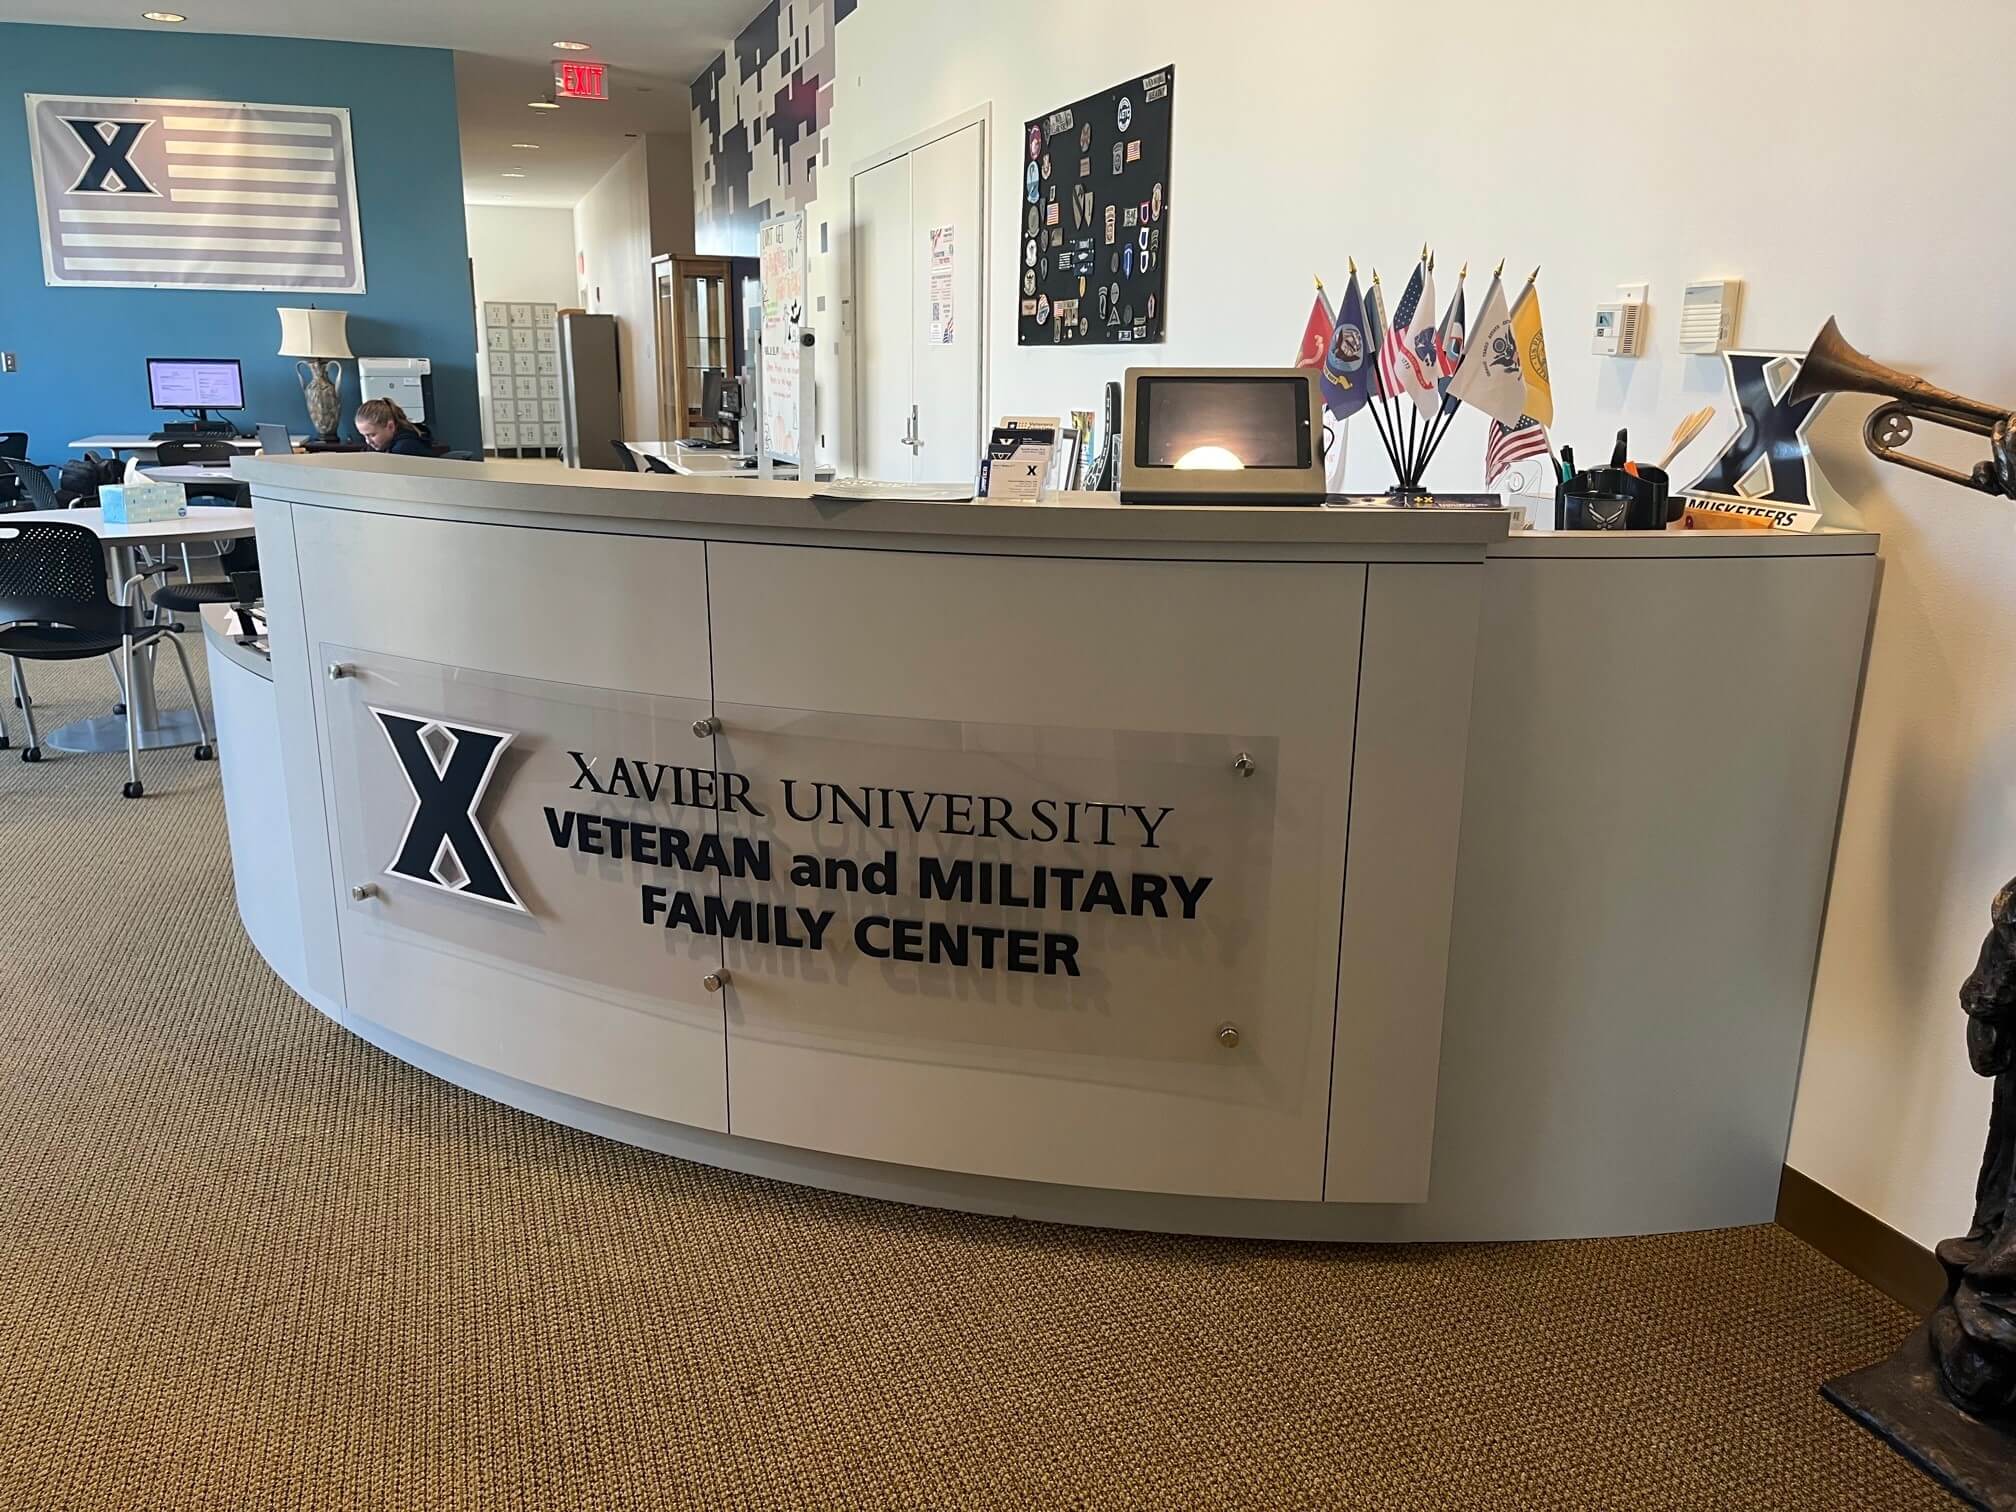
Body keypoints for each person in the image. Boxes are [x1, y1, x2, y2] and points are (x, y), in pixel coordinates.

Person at [354, 398, 436, 456]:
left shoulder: (404, 449)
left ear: (390, 427)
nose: (368, 441)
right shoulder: (381, 446)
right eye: (364, 436)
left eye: (372, 435)